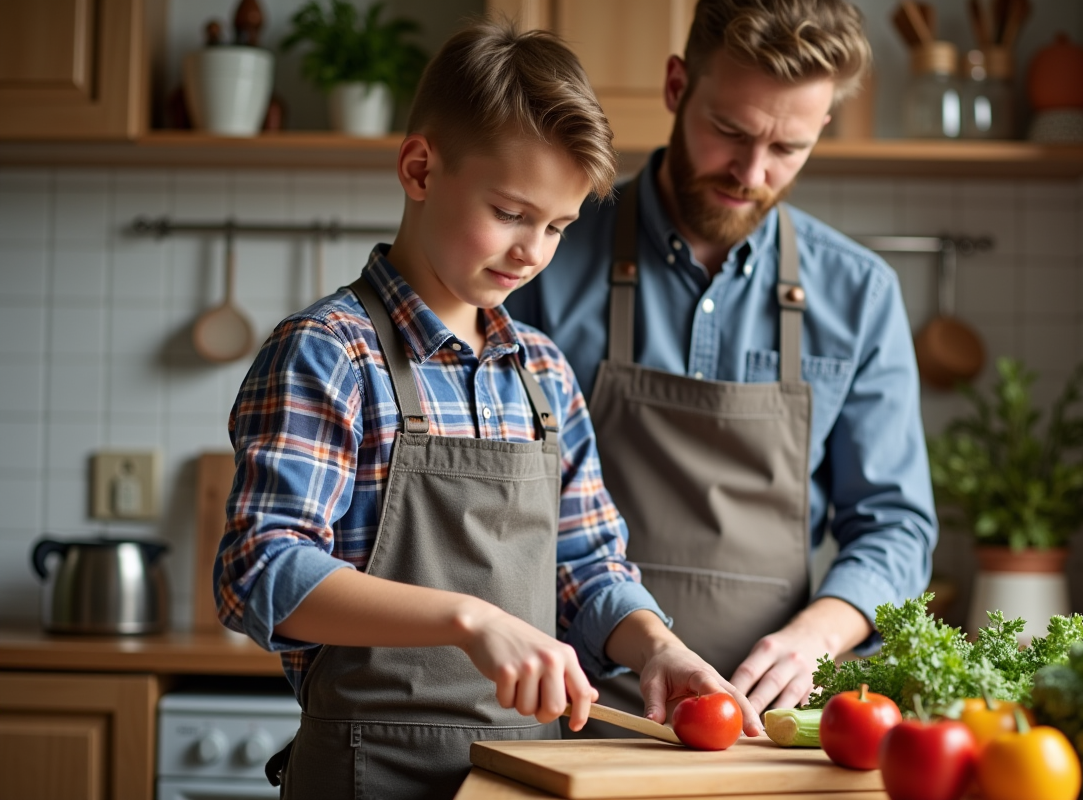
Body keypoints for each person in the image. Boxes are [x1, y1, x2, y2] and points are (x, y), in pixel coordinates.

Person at [214, 21, 760, 800]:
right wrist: (467, 619)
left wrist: (656, 648)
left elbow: (587, 567)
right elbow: (259, 570)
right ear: (419, 168)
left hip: (524, 777)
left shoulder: (541, 370)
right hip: (370, 776)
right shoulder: (330, 353)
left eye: (558, 227)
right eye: (510, 212)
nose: (533, 251)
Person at [506, 0, 938, 724]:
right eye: (729, 132)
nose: (751, 172)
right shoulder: (542, 259)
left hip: (766, 721)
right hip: (568, 711)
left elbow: (895, 525)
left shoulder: (860, 295)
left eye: (788, 148)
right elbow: (496, 503)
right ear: (678, 87)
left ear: (822, 125)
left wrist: (815, 639)